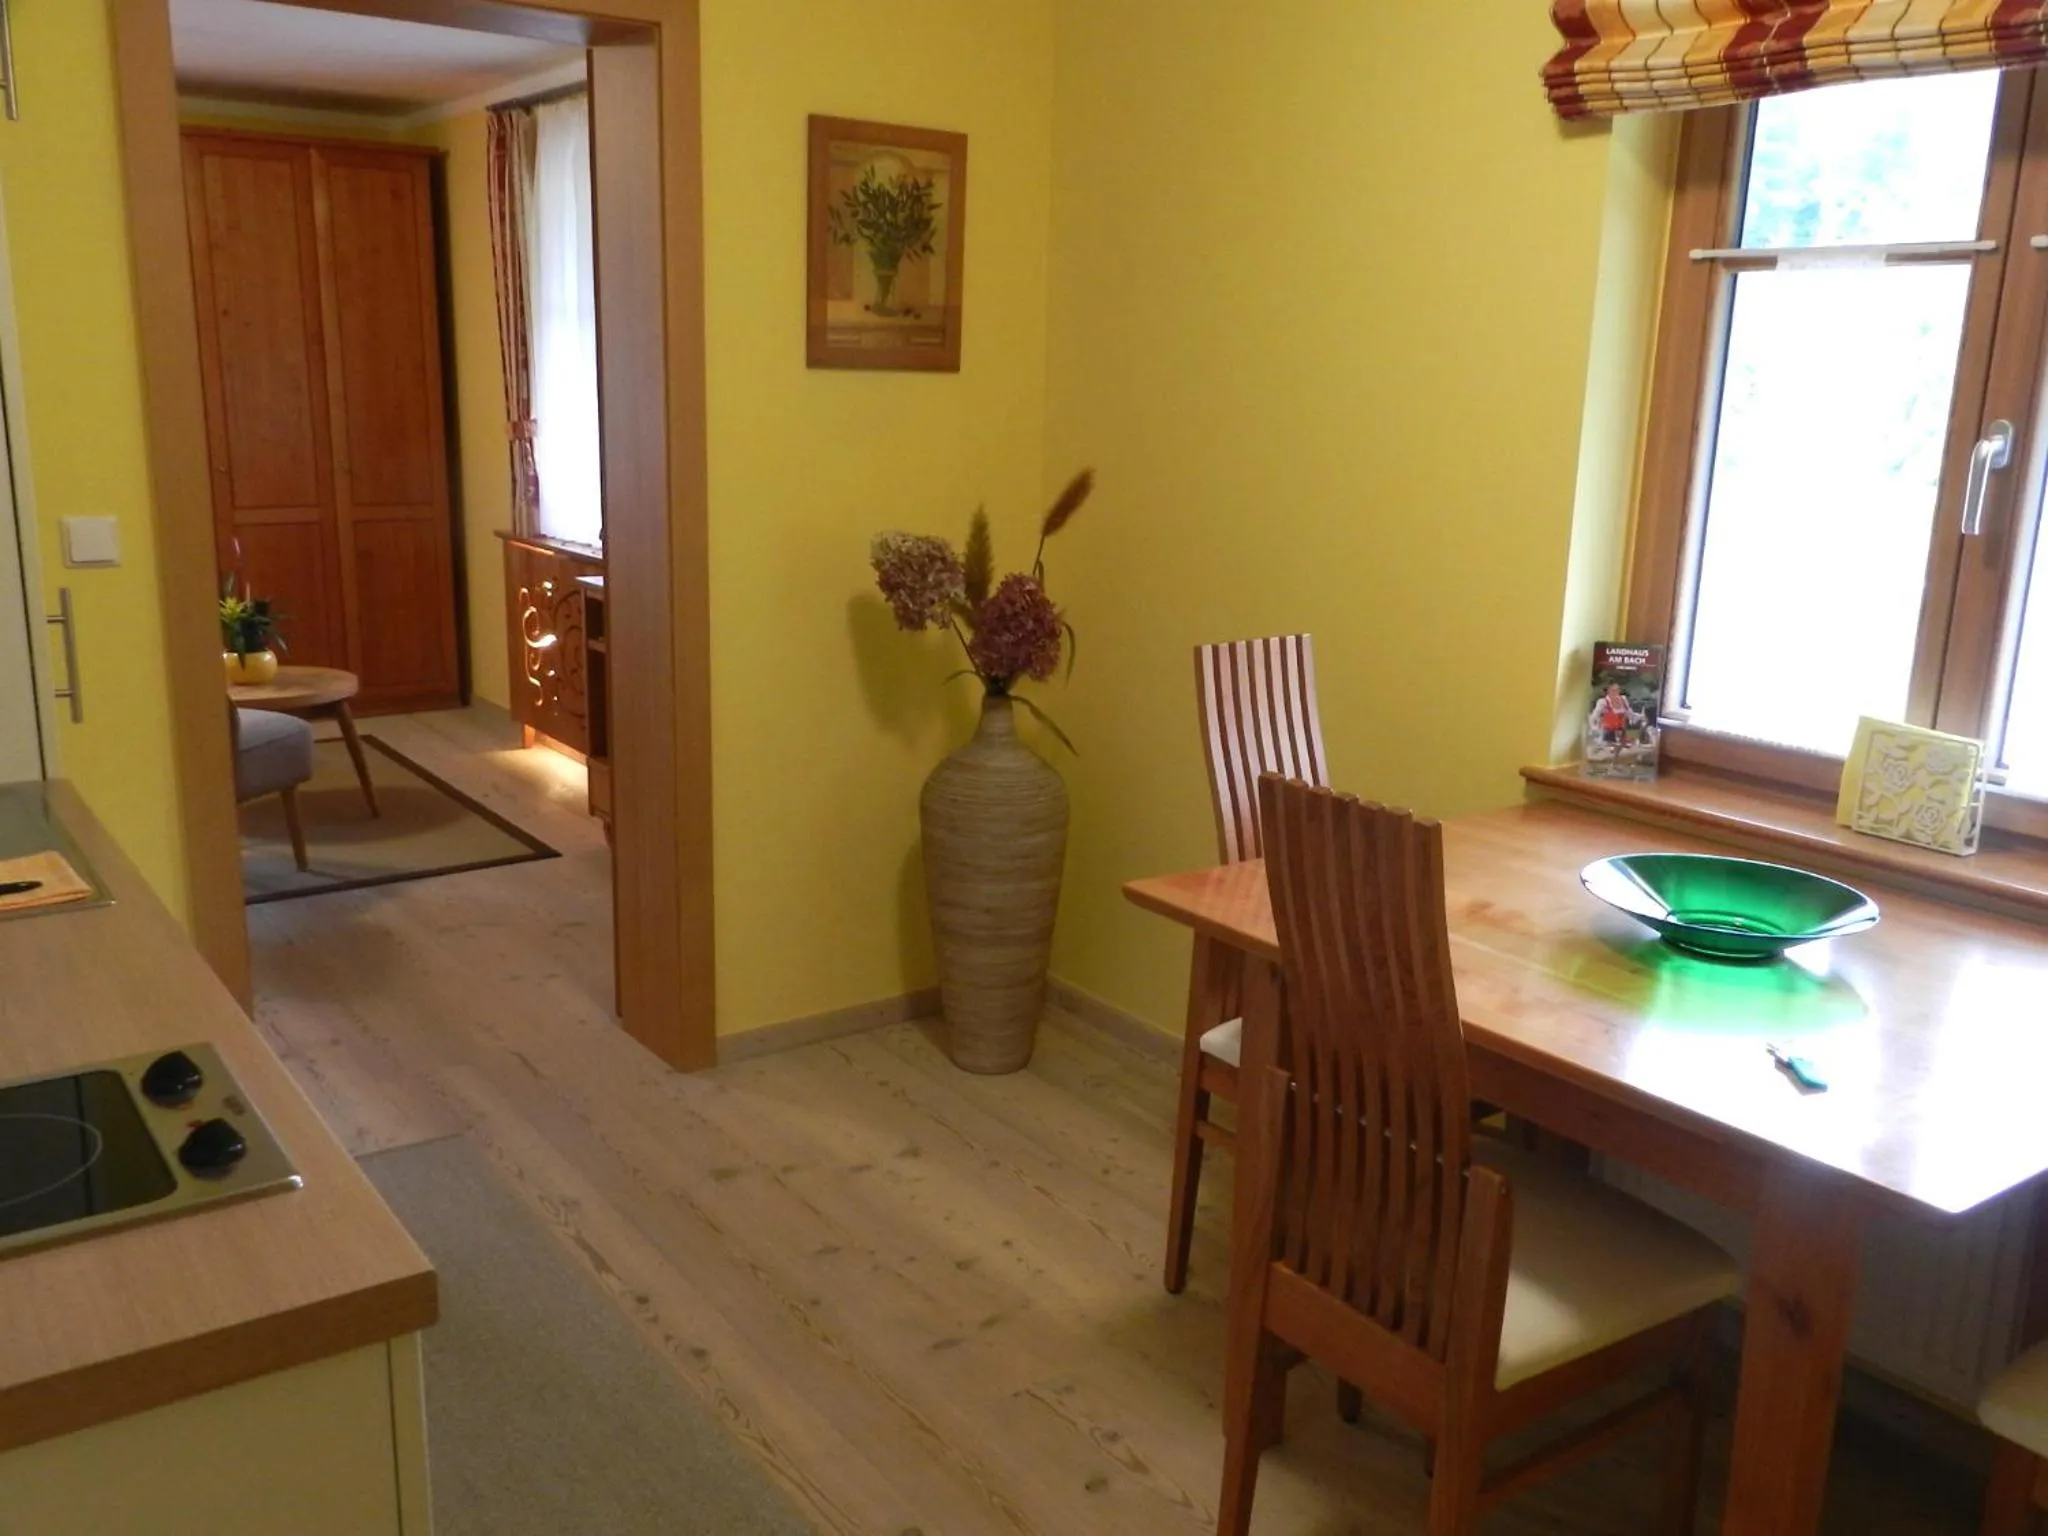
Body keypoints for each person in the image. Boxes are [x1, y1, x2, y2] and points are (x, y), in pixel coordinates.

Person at [1590, 682, 1644, 748]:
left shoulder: (1623, 699)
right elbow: (1593, 718)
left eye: (1618, 689)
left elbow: (1631, 714)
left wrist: (1641, 717)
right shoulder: (1603, 702)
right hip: (1608, 735)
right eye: (1613, 690)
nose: (1616, 692)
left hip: (1622, 733)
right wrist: (1596, 729)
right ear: (1608, 691)